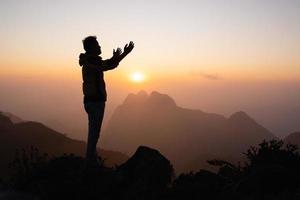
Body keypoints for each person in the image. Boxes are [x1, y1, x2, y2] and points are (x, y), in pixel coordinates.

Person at [79, 36, 134, 166]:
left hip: (92, 101)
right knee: (94, 134)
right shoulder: (90, 63)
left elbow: (109, 64)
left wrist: (119, 56)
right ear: (91, 48)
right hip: (95, 102)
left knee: (93, 133)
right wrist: (124, 54)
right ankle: (89, 164)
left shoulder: (91, 61)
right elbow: (107, 65)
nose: (100, 46)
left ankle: (93, 161)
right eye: (97, 45)